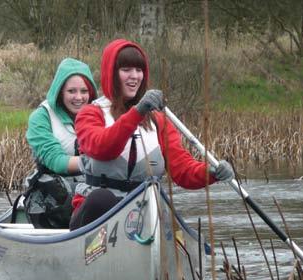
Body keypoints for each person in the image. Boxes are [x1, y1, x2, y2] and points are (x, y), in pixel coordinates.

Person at [69, 39, 233, 230]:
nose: (134, 76)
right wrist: (137, 113)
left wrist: (211, 172)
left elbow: (182, 170)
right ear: (111, 73)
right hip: (96, 214)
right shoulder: (90, 113)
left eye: (139, 70)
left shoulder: (158, 120)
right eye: (126, 70)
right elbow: (103, 148)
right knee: (101, 199)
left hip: (142, 213)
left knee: (164, 212)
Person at [24, 58, 98, 228]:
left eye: (84, 91)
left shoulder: (101, 113)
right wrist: (95, 163)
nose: (79, 97)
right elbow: (56, 161)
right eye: (71, 91)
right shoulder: (40, 118)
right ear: (60, 92)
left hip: (92, 187)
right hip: (53, 195)